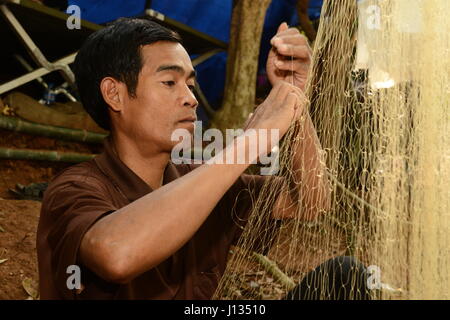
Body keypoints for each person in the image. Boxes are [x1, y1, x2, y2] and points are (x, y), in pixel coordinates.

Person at [36, 18, 369, 300]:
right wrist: (250, 144)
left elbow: (310, 201)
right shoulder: (74, 190)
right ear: (115, 94)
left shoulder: (196, 179)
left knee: (345, 277)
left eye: (191, 84)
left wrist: (293, 98)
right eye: (169, 82)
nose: (190, 99)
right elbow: (116, 254)